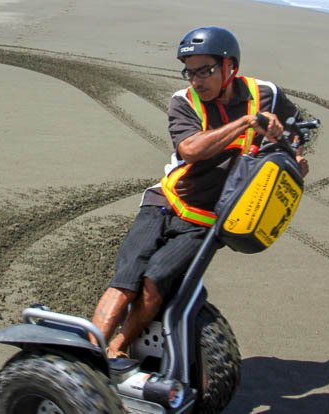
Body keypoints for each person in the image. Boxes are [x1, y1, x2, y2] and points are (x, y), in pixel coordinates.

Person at [91, 26, 309, 359]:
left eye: (204, 71)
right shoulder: (183, 102)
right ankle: (90, 353)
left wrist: (294, 154)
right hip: (166, 201)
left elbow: (300, 127)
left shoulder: (266, 94)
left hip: (207, 221)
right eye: (189, 72)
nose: (196, 80)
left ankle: (118, 348)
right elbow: (190, 149)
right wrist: (246, 123)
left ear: (229, 67)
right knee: (127, 278)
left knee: (154, 282)